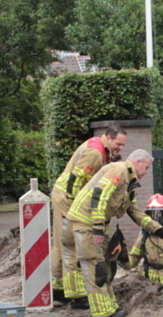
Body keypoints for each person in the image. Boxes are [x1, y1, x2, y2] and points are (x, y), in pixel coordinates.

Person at [63, 149, 163, 317]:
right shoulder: (118, 171)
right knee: (96, 266)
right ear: (138, 162)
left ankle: (109, 305)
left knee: (106, 265)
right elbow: (99, 197)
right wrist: (98, 229)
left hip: (93, 222)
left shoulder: (128, 180)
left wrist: (157, 229)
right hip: (86, 222)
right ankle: (102, 313)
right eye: (146, 168)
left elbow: (133, 210)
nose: (146, 173)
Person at [50, 127, 127, 303]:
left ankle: (59, 288)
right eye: (118, 143)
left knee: (62, 244)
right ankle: (71, 293)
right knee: (71, 244)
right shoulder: (95, 153)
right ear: (109, 138)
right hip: (67, 199)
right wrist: (79, 208)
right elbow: (75, 182)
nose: (120, 148)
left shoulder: (100, 148)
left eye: (123, 145)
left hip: (65, 196)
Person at [126, 194, 163, 285]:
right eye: (152, 214)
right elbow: (134, 257)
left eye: (159, 213)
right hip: (150, 282)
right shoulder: (145, 233)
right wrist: (120, 259)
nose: (155, 217)